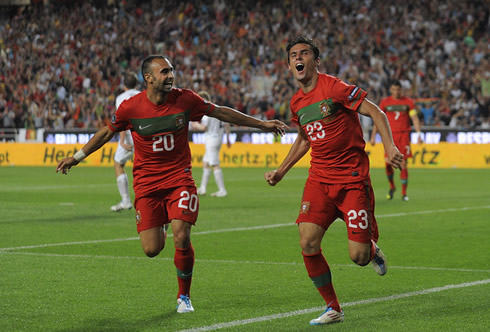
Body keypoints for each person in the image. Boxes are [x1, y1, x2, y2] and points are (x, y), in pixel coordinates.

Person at [56, 55, 287, 314]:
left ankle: (183, 297)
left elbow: (219, 111)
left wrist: (262, 124)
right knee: (152, 249)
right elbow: (106, 132)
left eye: (171, 71)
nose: (170, 76)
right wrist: (77, 158)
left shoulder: (185, 99)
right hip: (147, 185)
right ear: (149, 78)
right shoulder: (131, 108)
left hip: (179, 179)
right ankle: (162, 221)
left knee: (182, 235)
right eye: (164, 72)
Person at [264, 36, 403, 326]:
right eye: (293, 55)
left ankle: (372, 250)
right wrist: (281, 171)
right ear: (289, 65)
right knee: (307, 241)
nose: (298, 58)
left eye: (304, 53)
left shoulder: (335, 87)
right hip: (319, 180)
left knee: (359, 256)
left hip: (352, 180)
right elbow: (305, 138)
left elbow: (375, 111)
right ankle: (333, 307)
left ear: (316, 60)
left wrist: (389, 147)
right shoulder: (297, 102)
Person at [370, 80, 422, 201]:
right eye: (394, 89)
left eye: (398, 89)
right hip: (389, 136)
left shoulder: (408, 102)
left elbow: (414, 118)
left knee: (403, 163)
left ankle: (404, 193)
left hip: (404, 136)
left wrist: (419, 133)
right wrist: (373, 136)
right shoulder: (385, 102)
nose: (396, 92)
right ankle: (392, 186)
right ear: (391, 90)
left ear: (401, 90)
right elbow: (378, 119)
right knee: (388, 162)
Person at [192, 91, 231, 198]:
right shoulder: (218, 108)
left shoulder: (206, 112)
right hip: (219, 139)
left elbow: (204, 127)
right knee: (205, 162)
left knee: (214, 164)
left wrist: (195, 125)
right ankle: (203, 188)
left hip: (211, 139)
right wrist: (227, 138)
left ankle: (222, 190)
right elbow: (227, 124)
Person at [111, 72, 140, 212]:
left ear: (124, 85)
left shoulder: (121, 98)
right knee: (146, 167)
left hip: (128, 136)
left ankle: (126, 201)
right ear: (137, 84)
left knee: (118, 164)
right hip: (143, 136)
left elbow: (121, 119)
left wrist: (121, 140)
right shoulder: (144, 95)